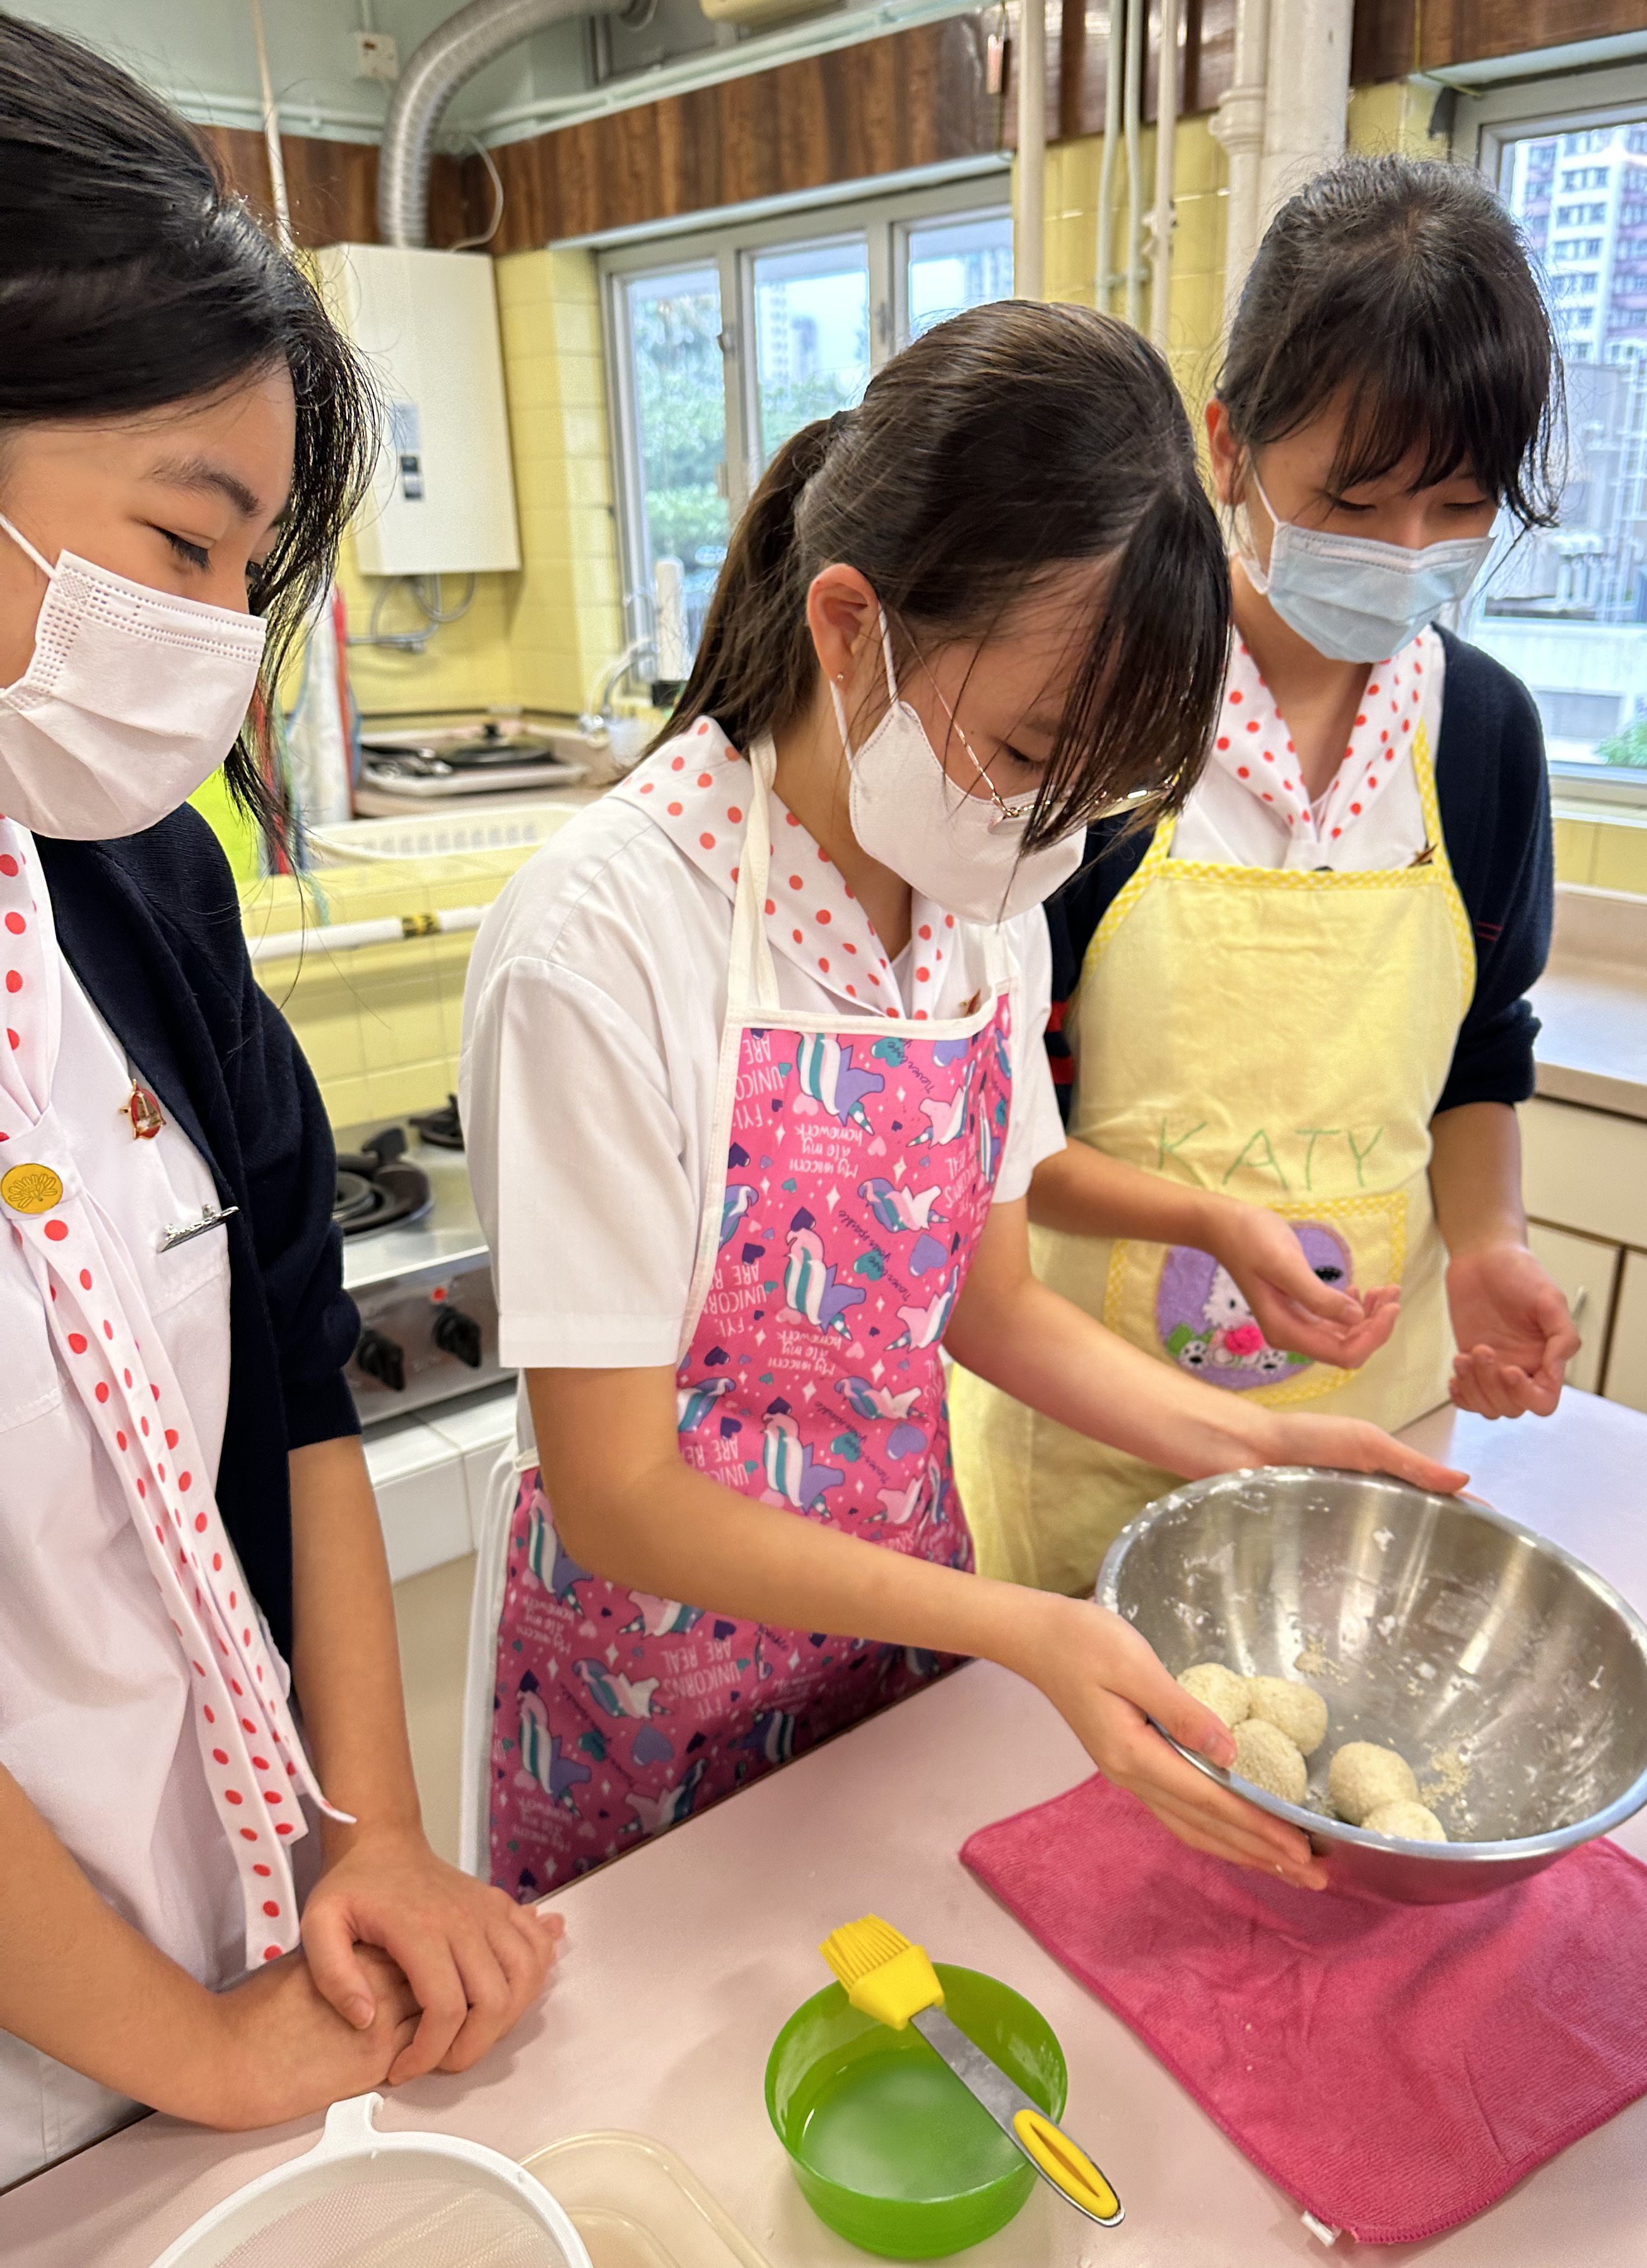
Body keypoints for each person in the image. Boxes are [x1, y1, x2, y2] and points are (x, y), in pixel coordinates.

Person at [461, 300, 1465, 1908]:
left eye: (1098, 794)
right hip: (650, 1704)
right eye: (1023, 752)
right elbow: (619, 1492)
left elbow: (990, 1306)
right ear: (849, 624)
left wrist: (1266, 1454)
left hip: (897, 1664)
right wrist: (1022, 1624)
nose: (1045, 838)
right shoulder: (605, 940)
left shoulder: (978, 894)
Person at [0, 18, 557, 2189]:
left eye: (254, 567)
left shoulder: (136, 874)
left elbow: (297, 1376)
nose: (229, 636)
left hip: (220, 1984)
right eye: (188, 537)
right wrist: (195, 2049)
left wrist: (375, 1833)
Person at [952, 156, 1581, 1597]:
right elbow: (993, 1134)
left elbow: (1481, 1053)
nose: (1409, 555)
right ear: (1228, 450)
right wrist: (1206, 1223)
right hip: (1093, 1444)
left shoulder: (1482, 739)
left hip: (1372, 1430)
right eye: (1356, 504)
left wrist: (1488, 1243)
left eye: (1461, 506)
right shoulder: (1091, 720)